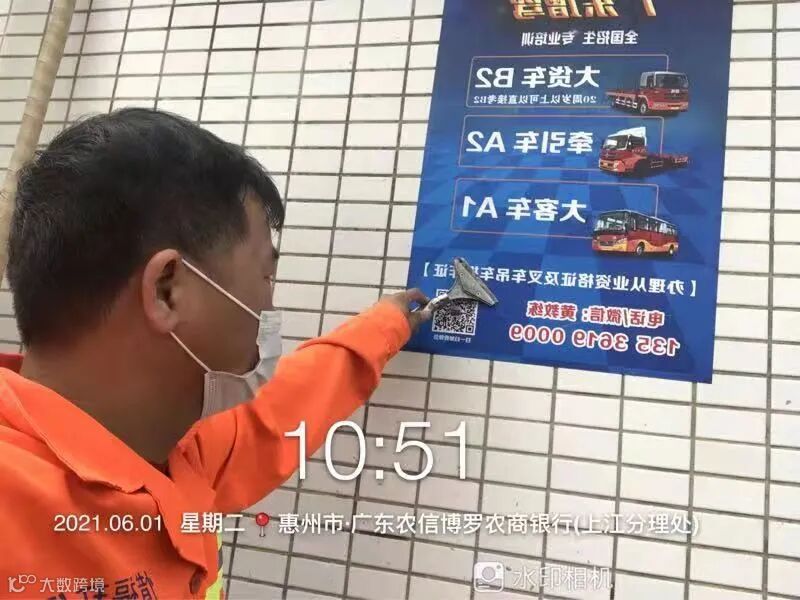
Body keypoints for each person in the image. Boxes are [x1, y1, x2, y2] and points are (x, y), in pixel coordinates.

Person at [0, 108, 431, 599]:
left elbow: (284, 411)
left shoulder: (174, 451)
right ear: (168, 290)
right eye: (266, 276)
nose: (269, 308)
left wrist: (388, 324)